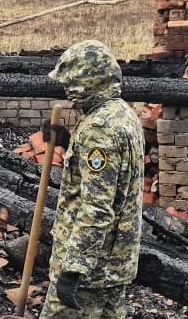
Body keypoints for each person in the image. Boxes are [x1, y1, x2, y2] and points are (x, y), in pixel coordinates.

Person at [40, 40, 144, 319]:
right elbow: (114, 178)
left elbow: (96, 207)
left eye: (71, 83)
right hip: (115, 261)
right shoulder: (123, 114)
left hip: (91, 270)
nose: (67, 92)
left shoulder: (99, 130)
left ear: (88, 81)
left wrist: (73, 269)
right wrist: (66, 141)